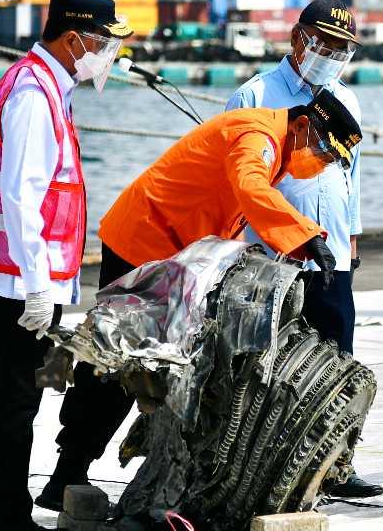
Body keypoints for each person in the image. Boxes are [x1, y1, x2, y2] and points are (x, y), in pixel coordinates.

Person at [36, 88, 360, 510]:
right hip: (145, 240)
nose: (321, 163)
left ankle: (91, 471)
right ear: (302, 125)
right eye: (323, 151)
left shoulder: (278, 144)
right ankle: (67, 474)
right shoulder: (258, 136)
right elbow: (250, 186)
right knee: (119, 359)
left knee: (157, 362)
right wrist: (307, 235)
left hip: (175, 252)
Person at [0, 0, 130, 530]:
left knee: (9, 396)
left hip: (13, 274)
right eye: (104, 43)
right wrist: (37, 285)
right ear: (75, 40)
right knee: (16, 401)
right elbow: (21, 195)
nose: (109, 55)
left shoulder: (49, 84)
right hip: (13, 280)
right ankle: (8, 517)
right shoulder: (34, 92)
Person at [225, 0, 383, 498]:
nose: (334, 56)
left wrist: (350, 239)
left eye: (344, 49)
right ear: (300, 40)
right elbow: (238, 185)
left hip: (332, 256)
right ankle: (267, 470)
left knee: (338, 361)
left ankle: (335, 466)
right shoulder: (256, 96)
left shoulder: (347, 100)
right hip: (271, 261)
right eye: (328, 45)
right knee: (269, 369)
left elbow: (351, 179)